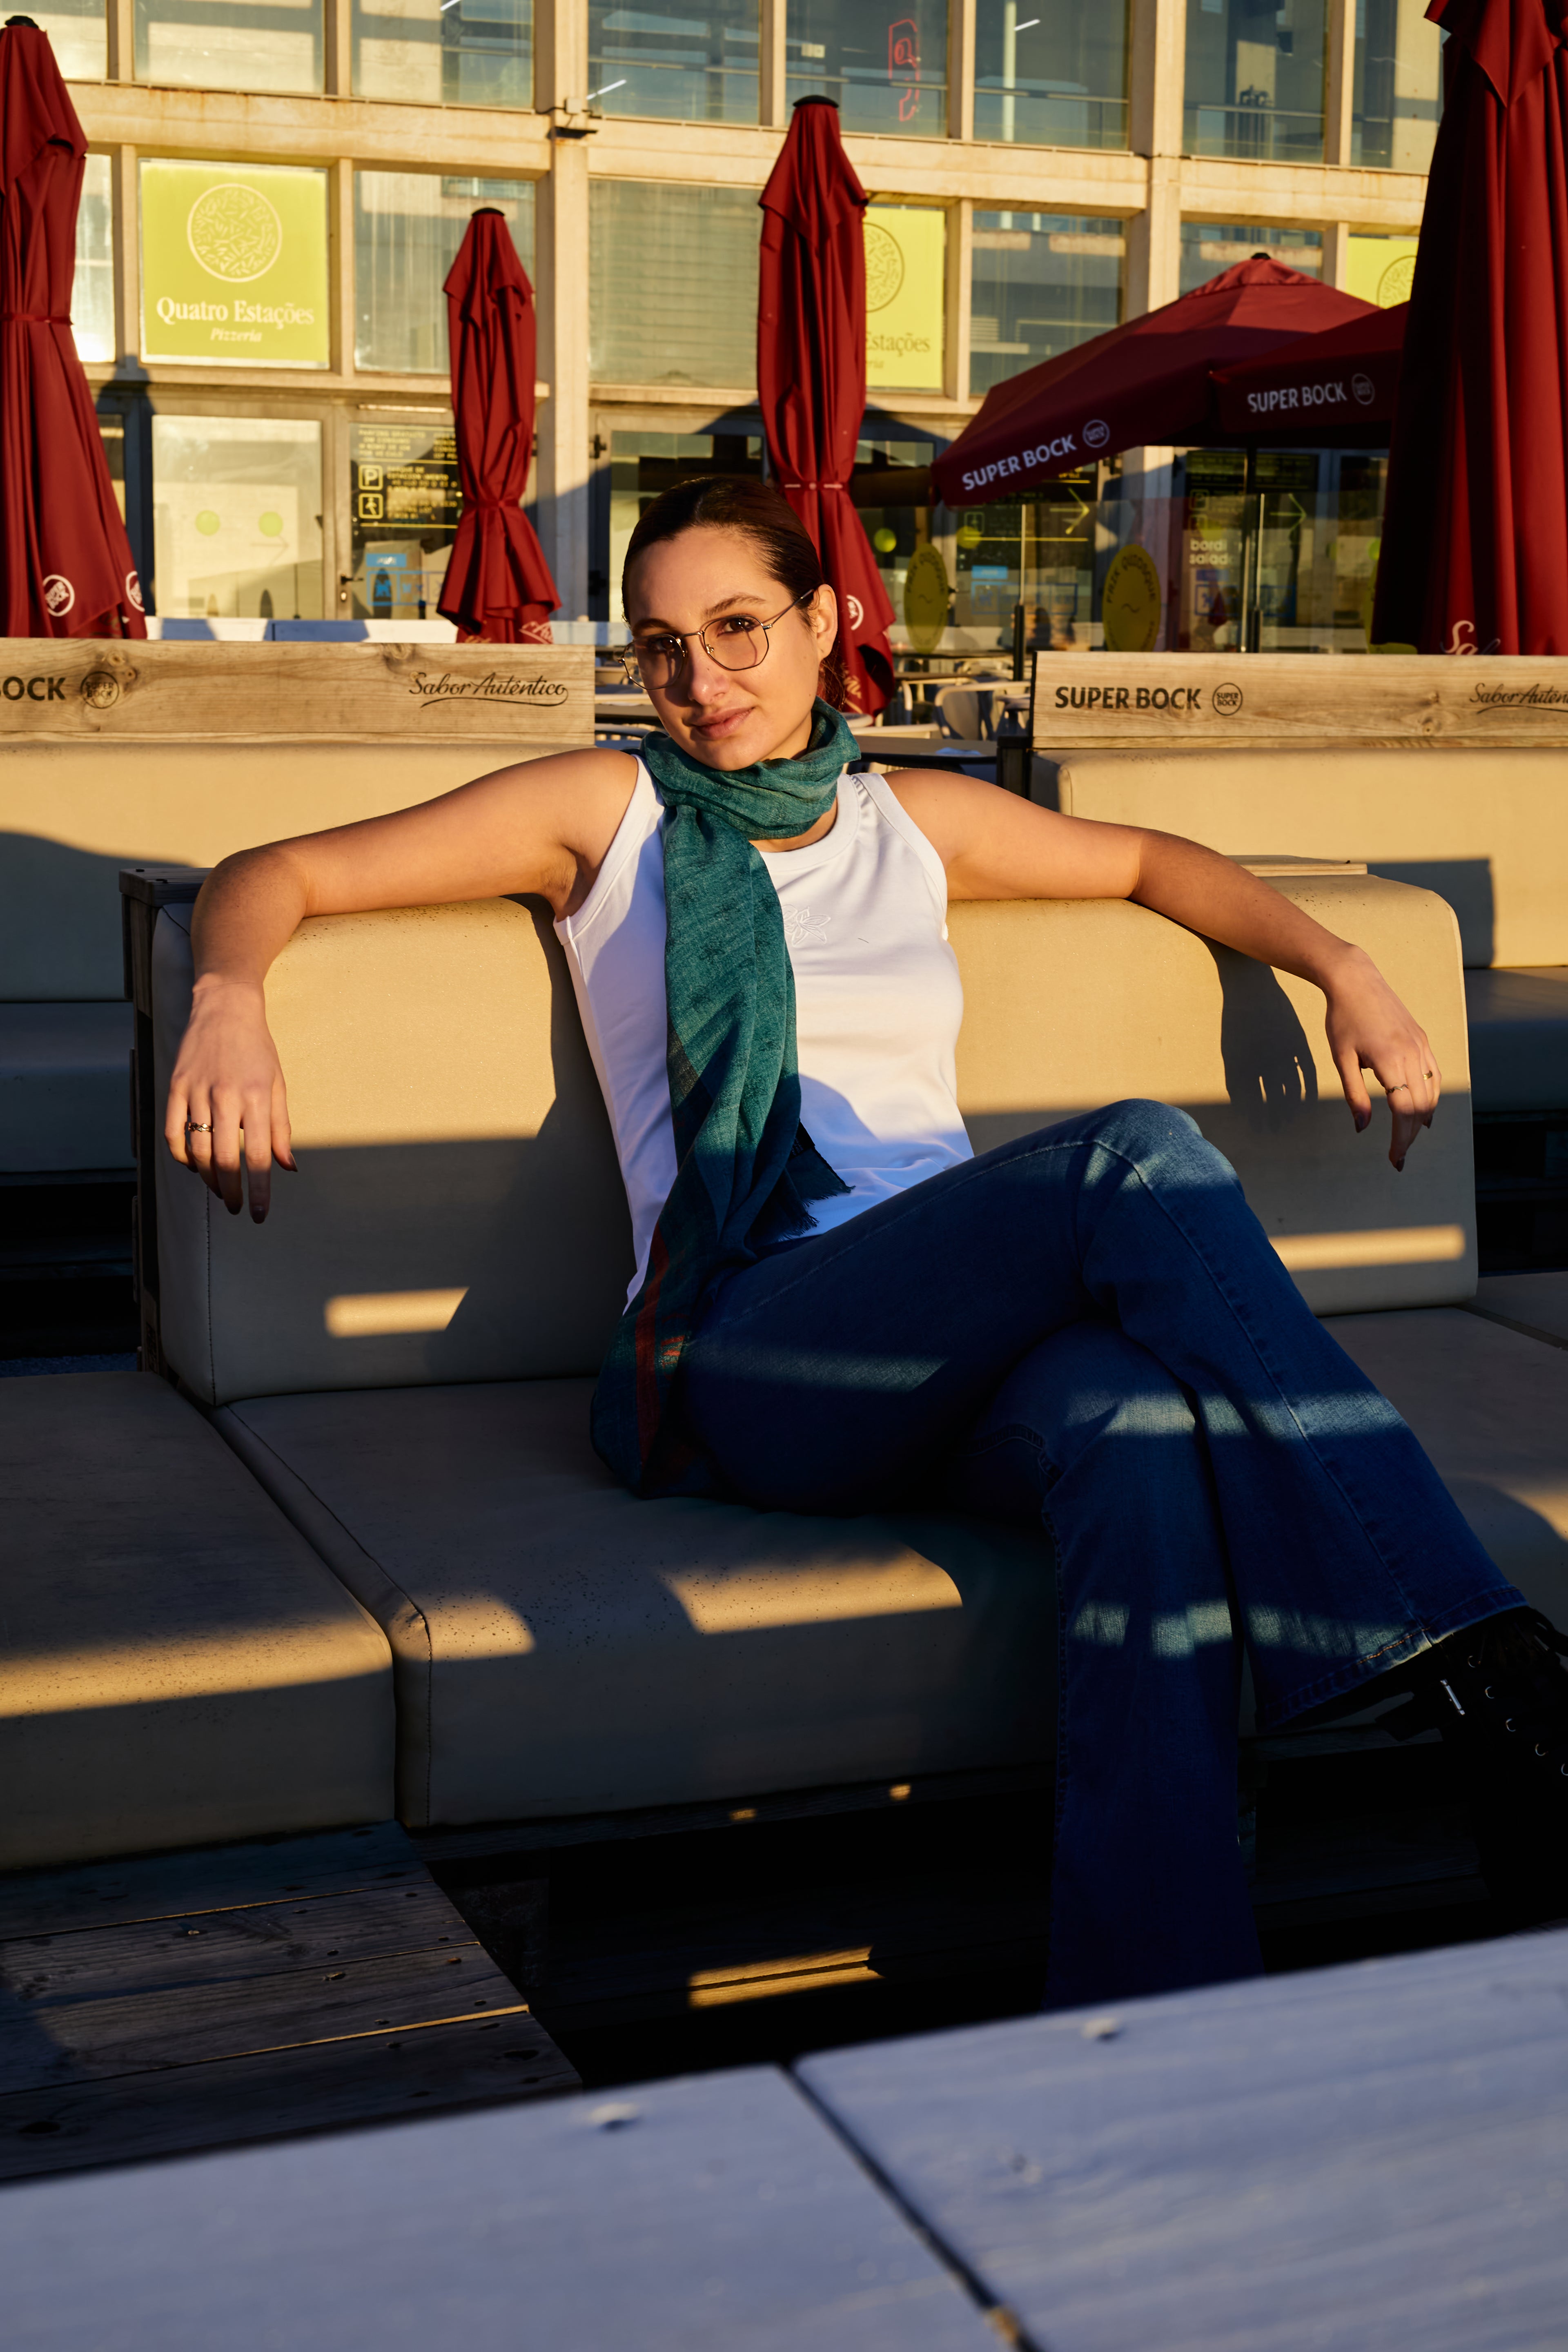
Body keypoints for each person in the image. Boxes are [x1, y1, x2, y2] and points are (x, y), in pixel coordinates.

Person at [166, 476, 1568, 2006]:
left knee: (1137, 1423)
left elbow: (1152, 862)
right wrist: (228, 999)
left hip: (945, 1343)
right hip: (752, 1339)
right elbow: (273, 874)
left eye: (738, 629)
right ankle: (1484, 1670)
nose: (700, 679)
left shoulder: (914, 822)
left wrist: (1342, 962)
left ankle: (1162, 2005)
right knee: (1135, 1156)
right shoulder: (607, 813)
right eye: (660, 646)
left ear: (827, 622)